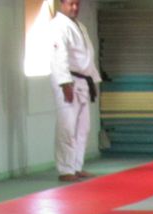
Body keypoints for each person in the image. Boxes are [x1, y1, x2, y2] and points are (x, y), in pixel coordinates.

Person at [49, 0, 102, 183]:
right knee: (67, 128)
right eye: (71, 4)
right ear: (61, 4)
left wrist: (93, 79)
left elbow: (86, 57)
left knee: (83, 128)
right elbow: (59, 57)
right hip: (69, 82)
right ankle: (65, 170)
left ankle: (76, 166)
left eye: (77, 4)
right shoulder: (58, 26)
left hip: (83, 80)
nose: (75, 8)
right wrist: (65, 83)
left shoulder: (79, 26)